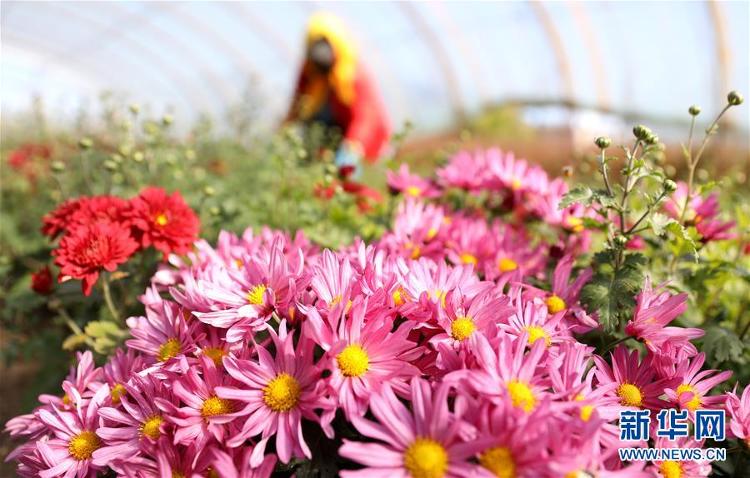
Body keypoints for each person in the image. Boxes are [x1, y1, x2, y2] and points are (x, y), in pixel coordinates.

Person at [285, 13, 390, 182]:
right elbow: (297, 106)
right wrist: (283, 133)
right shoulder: (310, 71)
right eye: (315, 44)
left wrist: (352, 147)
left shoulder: (352, 73)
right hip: (327, 141)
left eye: (325, 44)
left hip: (361, 142)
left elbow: (366, 117)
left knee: (356, 184)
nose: (320, 52)